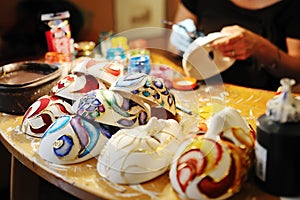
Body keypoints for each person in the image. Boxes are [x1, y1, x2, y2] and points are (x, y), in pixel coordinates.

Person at [170, 0, 300, 91]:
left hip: (264, 101)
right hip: (206, 91)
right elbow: (172, 48)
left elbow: (296, 71)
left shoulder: (293, 6)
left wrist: (260, 48)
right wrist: (180, 43)